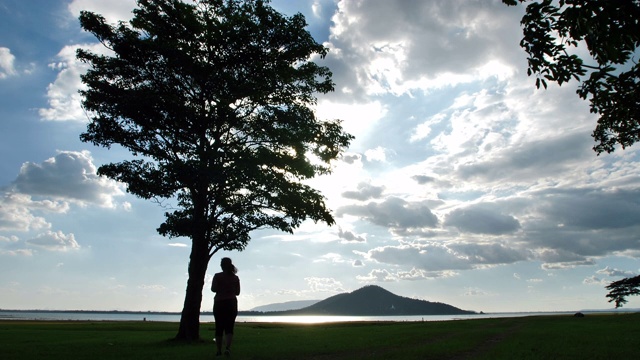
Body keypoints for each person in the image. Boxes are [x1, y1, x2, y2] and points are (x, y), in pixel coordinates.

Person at [211, 257, 240, 357]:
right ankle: (227, 348)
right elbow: (237, 292)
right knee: (229, 327)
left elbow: (213, 289)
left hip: (219, 303)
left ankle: (218, 351)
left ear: (222, 265)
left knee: (218, 327)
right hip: (231, 303)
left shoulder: (217, 276)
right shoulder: (235, 278)